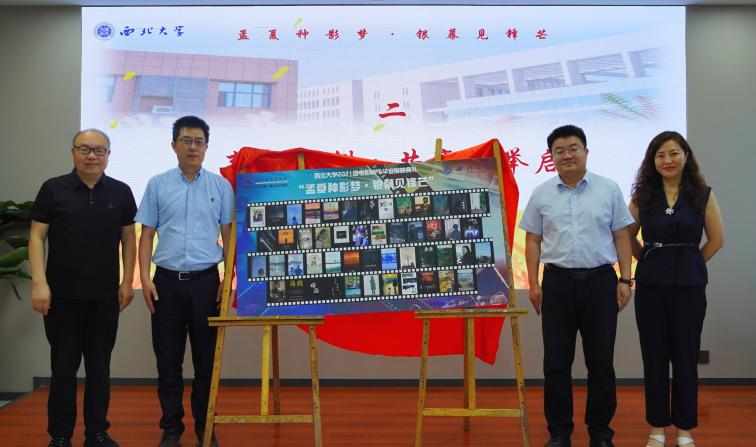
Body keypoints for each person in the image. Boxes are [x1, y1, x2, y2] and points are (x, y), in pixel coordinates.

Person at [519, 125, 634, 447]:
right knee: (556, 363)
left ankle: (600, 433)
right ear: (551, 157)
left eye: (573, 148)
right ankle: (559, 433)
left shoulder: (608, 189)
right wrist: (533, 283)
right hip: (557, 284)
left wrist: (626, 278)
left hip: (600, 283)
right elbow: (533, 240)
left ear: (586, 151)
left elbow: (621, 235)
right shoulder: (542, 193)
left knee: (601, 363)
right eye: (559, 150)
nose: (567, 155)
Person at [29, 129, 137, 447]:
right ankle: (60, 435)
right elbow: (36, 236)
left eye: (99, 150)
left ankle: (97, 433)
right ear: (73, 152)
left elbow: (129, 239)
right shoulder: (53, 189)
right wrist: (39, 283)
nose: (92, 156)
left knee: (99, 368)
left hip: (105, 297)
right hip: (61, 298)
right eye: (85, 149)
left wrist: (127, 281)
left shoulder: (120, 192)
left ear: (108, 154)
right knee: (63, 368)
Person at [136, 116, 234, 447]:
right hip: (166, 283)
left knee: (207, 362)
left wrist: (227, 278)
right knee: (168, 360)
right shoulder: (157, 184)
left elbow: (228, 236)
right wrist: (144, 278)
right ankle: (171, 427)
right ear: (174, 145)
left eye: (199, 142)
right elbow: (146, 234)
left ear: (206, 147)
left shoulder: (221, 187)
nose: (193, 147)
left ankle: (206, 426)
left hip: (206, 284)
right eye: (186, 140)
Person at [628, 131, 724, 447]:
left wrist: (691, 263)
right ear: (652, 161)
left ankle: (685, 429)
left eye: (673, 153)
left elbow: (717, 240)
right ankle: (656, 428)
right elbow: (627, 236)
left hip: (689, 288)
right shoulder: (643, 196)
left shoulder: (702, 194)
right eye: (660, 155)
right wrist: (649, 260)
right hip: (650, 287)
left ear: (686, 156)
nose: (667, 160)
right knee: (654, 356)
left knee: (685, 356)